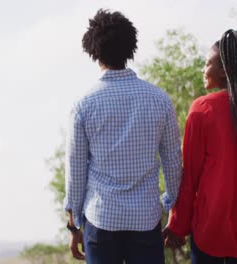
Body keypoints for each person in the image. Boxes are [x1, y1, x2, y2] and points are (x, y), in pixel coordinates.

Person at [63, 9, 183, 264]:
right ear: (131, 47)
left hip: (101, 221)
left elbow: (75, 173)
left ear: (93, 51)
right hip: (146, 220)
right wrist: (173, 209)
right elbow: (173, 163)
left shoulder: (83, 106)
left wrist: (74, 228)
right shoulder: (160, 100)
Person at [164, 29, 237, 264]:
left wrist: (178, 225)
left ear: (224, 70)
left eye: (207, 64)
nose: (204, 70)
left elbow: (190, 176)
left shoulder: (203, 109)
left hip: (209, 231)